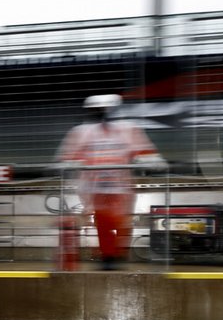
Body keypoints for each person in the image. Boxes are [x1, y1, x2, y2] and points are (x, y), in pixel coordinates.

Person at [55, 94, 164, 269]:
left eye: (104, 109)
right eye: (97, 110)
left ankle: (116, 255)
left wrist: (154, 162)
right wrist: (68, 165)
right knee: (103, 225)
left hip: (120, 188)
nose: (102, 114)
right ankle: (108, 257)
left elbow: (146, 153)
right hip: (96, 189)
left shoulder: (128, 130)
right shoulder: (82, 132)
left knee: (122, 224)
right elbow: (68, 157)